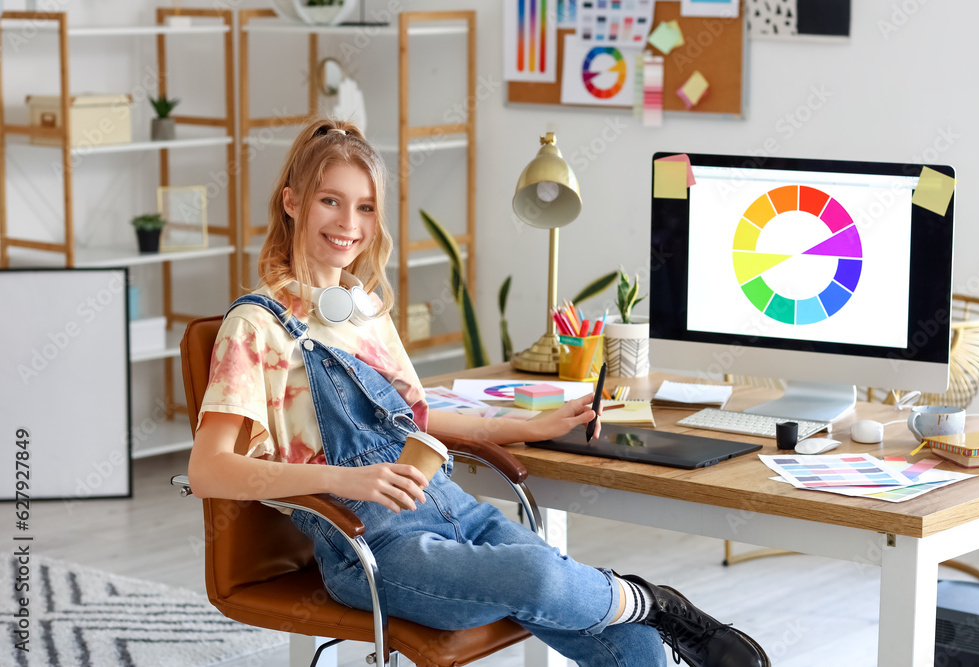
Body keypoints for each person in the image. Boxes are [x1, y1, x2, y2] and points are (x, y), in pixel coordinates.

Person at [188, 118, 770, 667]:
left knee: (632, 642)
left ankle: (647, 613)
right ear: (292, 202)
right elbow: (210, 470)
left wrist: (530, 426)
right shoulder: (256, 328)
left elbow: (416, 420)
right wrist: (342, 479)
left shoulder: (365, 312)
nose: (350, 224)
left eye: (365, 207)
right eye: (330, 200)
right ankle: (658, 600)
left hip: (452, 507)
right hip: (370, 547)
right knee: (540, 581)